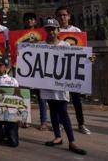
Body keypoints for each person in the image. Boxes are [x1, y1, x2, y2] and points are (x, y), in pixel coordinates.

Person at [41, 18, 87, 155]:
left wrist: (89, 59)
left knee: (63, 111)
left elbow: (76, 60)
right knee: (53, 111)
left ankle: (72, 141)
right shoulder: (41, 46)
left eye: (53, 29)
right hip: (47, 84)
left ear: (58, 30)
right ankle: (58, 137)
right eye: (48, 29)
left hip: (61, 85)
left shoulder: (65, 45)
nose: (51, 32)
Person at [55, 6, 91, 135]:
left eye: (64, 15)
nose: (62, 17)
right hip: (59, 69)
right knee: (60, 99)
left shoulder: (76, 30)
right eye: (59, 15)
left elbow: (83, 50)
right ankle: (60, 123)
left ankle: (81, 124)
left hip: (73, 69)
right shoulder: (56, 31)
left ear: (69, 16)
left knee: (76, 99)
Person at [22, 11, 49, 131]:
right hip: (25, 69)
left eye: (31, 19)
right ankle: (25, 119)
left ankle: (43, 121)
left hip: (39, 68)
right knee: (25, 96)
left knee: (41, 97)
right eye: (27, 19)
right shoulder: (19, 35)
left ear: (35, 21)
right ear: (24, 22)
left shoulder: (42, 35)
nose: (29, 21)